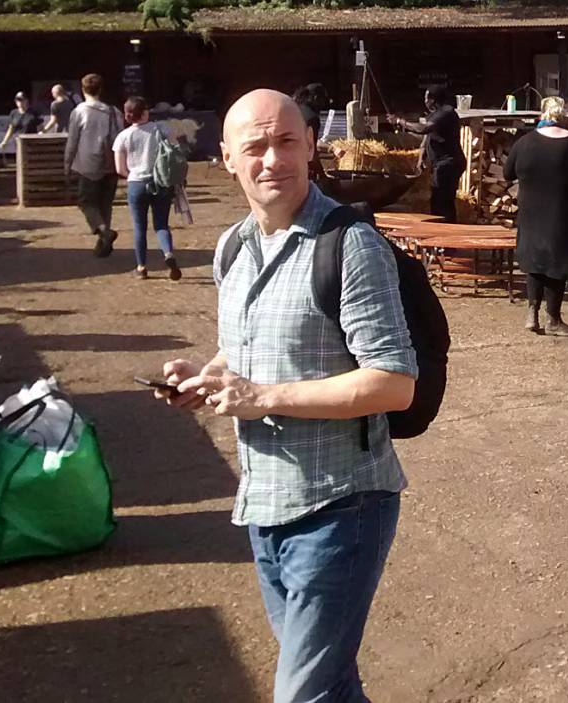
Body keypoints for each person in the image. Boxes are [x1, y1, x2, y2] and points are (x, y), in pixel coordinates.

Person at [158, 89, 417, 703]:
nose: (272, 159)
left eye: (286, 142)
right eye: (255, 146)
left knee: (303, 694)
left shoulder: (350, 245)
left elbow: (394, 382)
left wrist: (263, 396)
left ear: (310, 148)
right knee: (332, 684)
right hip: (264, 502)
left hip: (341, 506)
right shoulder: (233, 246)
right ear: (227, 158)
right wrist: (208, 375)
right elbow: (243, 347)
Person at [504, 96, 568, 337]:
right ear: (563, 117)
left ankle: (532, 313)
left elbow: (507, 173)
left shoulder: (525, 143)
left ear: (542, 115)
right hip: (564, 214)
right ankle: (553, 320)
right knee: (557, 263)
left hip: (531, 214)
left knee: (535, 261)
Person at [113, 96, 181, 280]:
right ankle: (168, 253)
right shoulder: (162, 128)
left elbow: (120, 169)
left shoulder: (123, 137)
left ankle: (141, 267)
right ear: (144, 112)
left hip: (136, 183)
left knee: (139, 227)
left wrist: (133, 175)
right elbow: (175, 148)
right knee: (161, 224)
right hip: (161, 181)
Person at [65, 73, 123, 257]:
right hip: (111, 163)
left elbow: (72, 142)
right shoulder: (114, 111)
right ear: (101, 89)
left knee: (86, 202)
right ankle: (103, 244)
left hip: (88, 164)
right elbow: (121, 137)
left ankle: (104, 232)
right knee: (106, 204)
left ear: (83, 90)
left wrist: (67, 164)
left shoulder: (79, 112)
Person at [398, 84, 465, 221]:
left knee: (442, 202)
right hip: (441, 164)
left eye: (426, 98)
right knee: (438, 200)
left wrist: (402, 122)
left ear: (433, 99)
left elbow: (423, 129)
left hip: (448, 163)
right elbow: (427, 137)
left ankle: (446, 228)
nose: (424, 101)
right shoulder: (435, 115)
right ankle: (443, 226)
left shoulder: (446, 112)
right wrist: (421, 157)